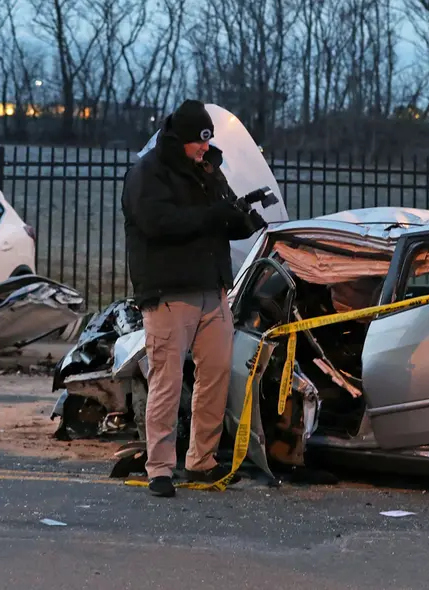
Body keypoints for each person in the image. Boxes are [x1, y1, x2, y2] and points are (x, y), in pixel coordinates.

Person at [121, 99, 265, 497]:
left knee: (216, 374)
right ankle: (160, 468)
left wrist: (243, 215)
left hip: (212, 288)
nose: (205, 148)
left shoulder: (207, 169)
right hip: (169, 293)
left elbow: (222, 219)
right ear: (179, 139)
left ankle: (202, 461)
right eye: (199, 142)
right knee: (166, 381)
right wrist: (213, 216)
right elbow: (157, 223)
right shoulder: (147, 173)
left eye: (208, 140)